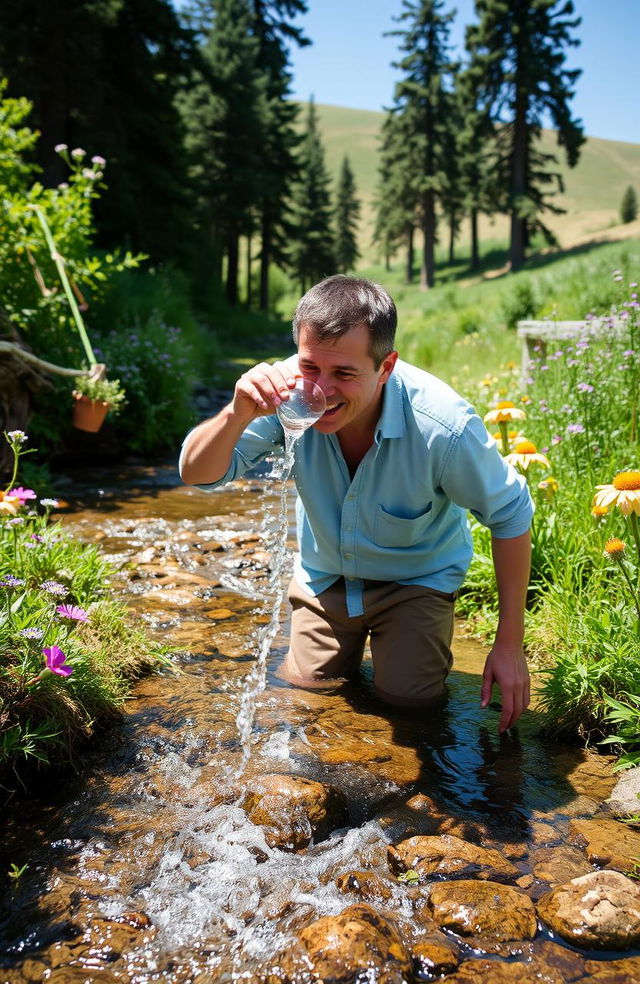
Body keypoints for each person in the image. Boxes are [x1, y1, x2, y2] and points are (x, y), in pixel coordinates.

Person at [179, 275, 533, 732]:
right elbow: (198, 475)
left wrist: (509, 643)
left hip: (416, 582)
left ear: (386, 367)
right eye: (310, 367)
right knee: (304, 695)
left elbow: (510, 515)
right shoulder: (286, 398)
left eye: (344, 374)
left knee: (410, 708)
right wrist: (236, 412)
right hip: (325, 576)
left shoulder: (443, 427)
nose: (321, 391)